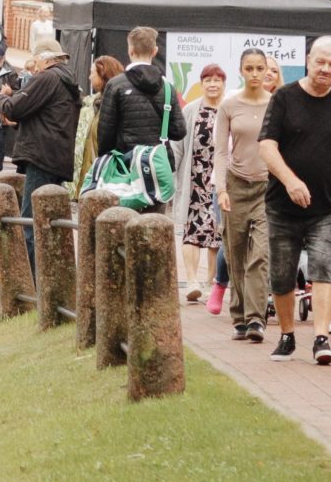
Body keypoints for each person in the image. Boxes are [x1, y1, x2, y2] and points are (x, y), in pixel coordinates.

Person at [258, 35, 331, 365]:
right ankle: (287, 335)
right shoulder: (285, 98)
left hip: (328, 205)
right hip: (283, 205)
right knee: (282, 274)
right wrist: (289, 181)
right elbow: (267, 146)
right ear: (308, 61)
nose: (326, 69)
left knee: (323, 270)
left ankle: (321, 338)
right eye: (321, 62)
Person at [0, 28, 82, 272]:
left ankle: (34, 280)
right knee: (50, 221)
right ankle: (52, 276)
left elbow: (15, 107)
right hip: (58, 156)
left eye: (35, 62)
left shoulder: (47, 78)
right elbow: (47, 115)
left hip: (41, 156)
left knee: (31, 220)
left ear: (44, 59)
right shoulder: (68, 80)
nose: (34, 68)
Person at [217, 49, 279, 343]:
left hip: (267, 187)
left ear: (267, 70)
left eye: (259, 68)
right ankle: (239, 316)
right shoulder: (229, 105)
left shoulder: (277, 104)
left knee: (261, 254)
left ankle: (256, 318)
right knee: (236, 254)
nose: (255, 74)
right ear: (241, 71)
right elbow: (220, 151)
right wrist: (221, 189)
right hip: (236, 184)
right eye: (249, 68)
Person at [93, 26, 187, 204]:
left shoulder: (116, 85)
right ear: (155, 51)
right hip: (158, 168)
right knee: (155, 219)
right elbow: (179, 131)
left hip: (125, 166)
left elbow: (105, 134)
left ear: (130, 50)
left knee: (123, 217)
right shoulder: (168, 88)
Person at [179, 64, 228, 300]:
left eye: (217, 80)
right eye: (208, 80)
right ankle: (191, 281)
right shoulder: (191, 109)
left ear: (224, 84)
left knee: (216, 233)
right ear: (201, 84)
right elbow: (179, 144)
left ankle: (210, 282)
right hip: (194, 179)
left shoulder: (229, 108)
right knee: (191, 229)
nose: (212, 85)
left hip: (219, 179)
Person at [73, 55, 124, 192]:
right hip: (91, 174)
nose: (89, 77)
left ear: (103, 75)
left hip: (104, 176)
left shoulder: (113, 105)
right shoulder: (92, 103)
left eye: (92, 73)